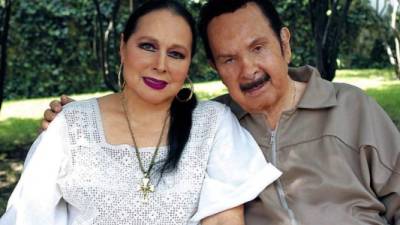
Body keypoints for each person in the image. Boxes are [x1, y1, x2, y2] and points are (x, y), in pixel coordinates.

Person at [42, 0, 400, 224]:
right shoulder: (211, 126)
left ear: (285, 44)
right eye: (229, 59)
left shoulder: (352, 108)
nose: (248, 70)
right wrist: (84, 119)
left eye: (258, 47)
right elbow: (145, 115)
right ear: (215, 67)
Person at [0, 1, 283, 225]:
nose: (160, 64)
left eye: (176, 54)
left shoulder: (212, 124)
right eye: (148, 46)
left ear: (188, 66)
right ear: (123, 46)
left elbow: (223, 219)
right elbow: (29, 216)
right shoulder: (70, 127)